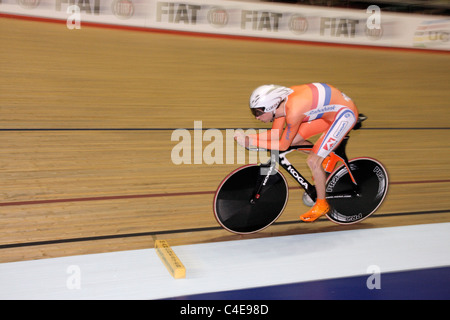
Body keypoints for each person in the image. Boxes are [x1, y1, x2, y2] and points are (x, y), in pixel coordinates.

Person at [234, 83, 358, 222]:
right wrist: (248, 138)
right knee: (295, 141)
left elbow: (282, 145)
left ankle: (322, 204)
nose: (256, 117)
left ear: (270, 107)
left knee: (312, 160)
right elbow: (275, 134)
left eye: (257, 112)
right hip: (328, 112)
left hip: (344, 114)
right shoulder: (280, 107)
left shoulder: (293, 111)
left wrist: (251, 142)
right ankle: (326, 155)